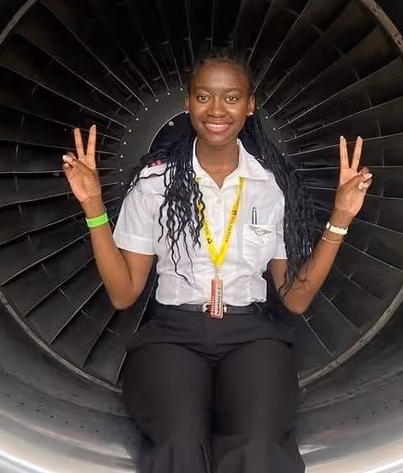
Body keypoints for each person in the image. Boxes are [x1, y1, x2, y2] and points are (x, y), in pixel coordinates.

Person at [61, 50, 372, 473]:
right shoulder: (154, 184)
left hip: (251, 333)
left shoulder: (270, 188)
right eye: (204, 96)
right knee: (180, 443)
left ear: (250, 105)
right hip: (173, 332)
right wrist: (94, 207)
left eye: (231, 97)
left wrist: (341, 217)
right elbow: (123, 293)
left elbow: (295, 299)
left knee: (258, 444)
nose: (217, 110)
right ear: (188, 103)